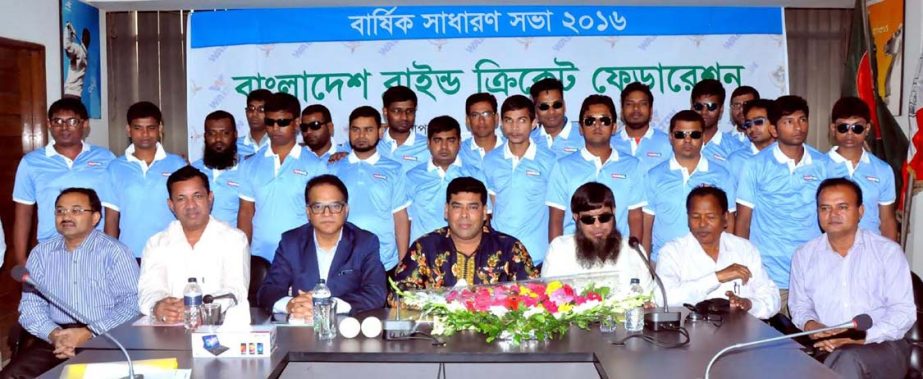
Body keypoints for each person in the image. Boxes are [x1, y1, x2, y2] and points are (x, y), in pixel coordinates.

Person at [1, 188, 138, 378]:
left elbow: (131, 304)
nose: (66, 216)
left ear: (96, 217)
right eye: (60, 211)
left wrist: (88, 332)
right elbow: (31, 306)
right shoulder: (41, 254)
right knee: (11, 375)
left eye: (76, 210)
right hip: (56, 338)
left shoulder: (115, 252)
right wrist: (54, 334)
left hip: (105, 337)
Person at [789, 178, 914, 379]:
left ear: (861, 211)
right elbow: (799, 306)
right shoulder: (803, 255)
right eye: (825, 208)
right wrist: (812, 325)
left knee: (846, 358)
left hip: (882, 346)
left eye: (842, 207)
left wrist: (860, 338)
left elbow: (903, 312)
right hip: (827, 346)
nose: (833, 215)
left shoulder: (887, 252)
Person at [736, 95, 829, 315]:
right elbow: (743, 221)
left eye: (802, 119)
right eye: (789, 121)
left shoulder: (824, 164)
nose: (798, 127)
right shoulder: (755, 165)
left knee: (813, 342)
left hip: (813, 273)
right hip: (769, 275)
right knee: (771, 343)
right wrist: (743, 267)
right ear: (774, 130)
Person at [257, 175, 386, 316]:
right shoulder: (291, 242)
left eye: (335, 206)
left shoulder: (365, 242)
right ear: (308, 212)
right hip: (302, 326)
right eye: (318, 206)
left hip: (346, 326)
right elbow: (268, 291)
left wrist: (330, 305)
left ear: (346, 210)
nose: (327, 213)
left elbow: (376, 292)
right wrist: (291, 305)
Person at [137, 166, 251, 326]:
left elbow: (235, 290)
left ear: (210, 198)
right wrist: (159, 306)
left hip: (222, 330)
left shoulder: (234, 239)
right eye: (181, 198)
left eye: (197, 196)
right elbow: (149, 289)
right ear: (171, 205)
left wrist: (200, 309)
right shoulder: (156, 243)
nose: (190, 205)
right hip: (169, 332)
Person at [12, 98, 115, 265]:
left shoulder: (106, 158)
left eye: (72, 121)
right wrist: (21, 259)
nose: (64, 127)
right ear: (49, 124)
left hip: (97, 249)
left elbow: (112, 210)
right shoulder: (31, 162)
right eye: (58, 121)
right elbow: (23, 213)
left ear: (85, 124)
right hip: (50, 251)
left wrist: (112, 249)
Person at [656, 187, 779, 319]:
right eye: (695, 217)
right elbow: (663, 299)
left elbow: (772, 298)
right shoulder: (672, 252)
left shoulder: (744, 249)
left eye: (710, 217)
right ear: (688, 218)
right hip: (691, 335)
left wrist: (749, 304)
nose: (702, 224)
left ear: (725, 218)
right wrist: (717, 277)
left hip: (740, 334)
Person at [394, 177, 538, 290]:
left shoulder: (510, 248)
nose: (464, 215)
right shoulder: (425, 247)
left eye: (472, 207)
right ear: (446, 210)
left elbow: (532, 293)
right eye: (457, 207)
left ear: (484, 212)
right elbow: (398, 293)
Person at [238, 92, 325, 262]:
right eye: (270, 122)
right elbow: (246, 212)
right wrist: (242, 254)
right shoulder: (250, 164)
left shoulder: (316, 165)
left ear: (297, 123)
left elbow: (321, 215)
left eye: (283, 122)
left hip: (301, 256)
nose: (275, 128)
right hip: (259, 257)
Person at [547, 94, 646, 244]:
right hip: (574, 254)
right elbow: (556, 219)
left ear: (614, 127)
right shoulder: (563, 166)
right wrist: (557, 256)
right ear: (580, 128)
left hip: (618, 254)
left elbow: (636, 217)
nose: (597, 125)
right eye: (590, 120)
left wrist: (633, 256)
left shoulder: (632, 166)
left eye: (604, 120)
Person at [642, 110, 737, 261]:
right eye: (680, 135)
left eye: (694, 135)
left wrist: (727, 261)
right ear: (671, 137)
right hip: (664, 262)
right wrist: (646, 267)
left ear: (703, 137)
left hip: (709, 263)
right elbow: (646, 228)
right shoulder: (654, 176)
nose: (687, 140)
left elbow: (729, 222)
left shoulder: (722, 175)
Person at [328, 106, 410, 272]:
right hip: (342, 260)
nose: (361, 136)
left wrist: (403, 262)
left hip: (385, 260)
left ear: (380, 132)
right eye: (356, 130)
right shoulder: (333, 168)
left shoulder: (394, 169)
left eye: (368, 130)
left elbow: (400, 217)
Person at [103, 101, 187, 257]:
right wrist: (110, 256)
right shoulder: (114, 167)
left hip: (172, 253)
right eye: (138, 128)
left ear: (160, 129)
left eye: (151, 128)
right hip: (130, 254)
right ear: (129, 130)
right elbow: (111, 218)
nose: (145, 134)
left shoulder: (178, 164)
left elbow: (187, 211)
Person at [483, 95, 557, 266]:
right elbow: (492, 209)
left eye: (521, 120)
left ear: (533, 123)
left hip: (538, 255)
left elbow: (556, 211)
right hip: (500, 255)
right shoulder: (490, 160)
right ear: (501, 123)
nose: (514, 127)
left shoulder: (550, 161)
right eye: (509, 120)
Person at [542, 183, 652, 292]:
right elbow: (551, 297)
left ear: (613, 212)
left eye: (604, 217)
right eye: (588, 219)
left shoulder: (633, 249)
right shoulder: (559, 249)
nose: (597, 225)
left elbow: (648, 297)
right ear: (576, 217)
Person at [824, 96, 898, 241]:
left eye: (857, 128)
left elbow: (887, 220)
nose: (849, 134)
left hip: (871, 251)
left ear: (867, 128)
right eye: (843, 127)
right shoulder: (819, 166)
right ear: (833, 128)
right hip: (829, 252)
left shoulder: (882, 170)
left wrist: (890, 256)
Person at [406, 116, 485, 242]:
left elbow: (484, 218)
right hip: (423, 254)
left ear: (459, 143)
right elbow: (405, 222)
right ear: (428, 143)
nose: (444, 147)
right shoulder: (411, 177)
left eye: (450, 140)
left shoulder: (476, 175)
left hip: (464, 253)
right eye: (438, 140)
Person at [190, 110, 241, 226]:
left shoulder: (247, 170)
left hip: (235, 242)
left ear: (235, 135)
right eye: (212, 133)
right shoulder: (193, 170)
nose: (218, 139)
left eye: (225, 133)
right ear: (205, 136)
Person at [610, 82, 672, 173]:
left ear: (650, 110)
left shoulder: (668, 143)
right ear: (622, 110)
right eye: (629, 104)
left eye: (642, 104)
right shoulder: (610, 143)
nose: (636, 108)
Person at [691, 79, 745, 164]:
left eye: (711, 106)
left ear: (721, 109)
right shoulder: (679, 145)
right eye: (698, 106)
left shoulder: (736, 148)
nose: (704, 112)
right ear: (692, 108)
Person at [378, 86, 431, 173]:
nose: (404, 117)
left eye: (409, 111)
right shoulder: (373, 143)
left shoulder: (428, 147)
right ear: (385, 111)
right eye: (397, 111)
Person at [529, 78, 584, 158]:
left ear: (564, 105)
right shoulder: (529, 140)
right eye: (544, 107)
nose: (551, 112)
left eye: (557, 105)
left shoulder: (585, 134)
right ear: (535, 110)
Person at [726, 99, 778, 175]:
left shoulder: (787, 155)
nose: (752, 128)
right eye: (748, 124)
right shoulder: (737, 160)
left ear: (774, 123)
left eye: (758, 122)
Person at [459, 92, 504, 171]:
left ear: (496, 118)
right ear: (468, 120)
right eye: (475, 115)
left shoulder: (510, 148)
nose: (481, 120)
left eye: (486, 114)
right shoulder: (459, 151)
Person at [237, 89, 272, 157]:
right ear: (246, 112)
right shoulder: (235, 147)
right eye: (251, 109)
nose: (254, 114)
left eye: (261, 110)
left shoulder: (278, 145)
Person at [63, 22, 89, 98]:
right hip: (77, 95)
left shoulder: (79, 50)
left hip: (70, 94)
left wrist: (67, 29)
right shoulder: (84, 54)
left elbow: (67, 46)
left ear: (82, 38)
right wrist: (71, 34)